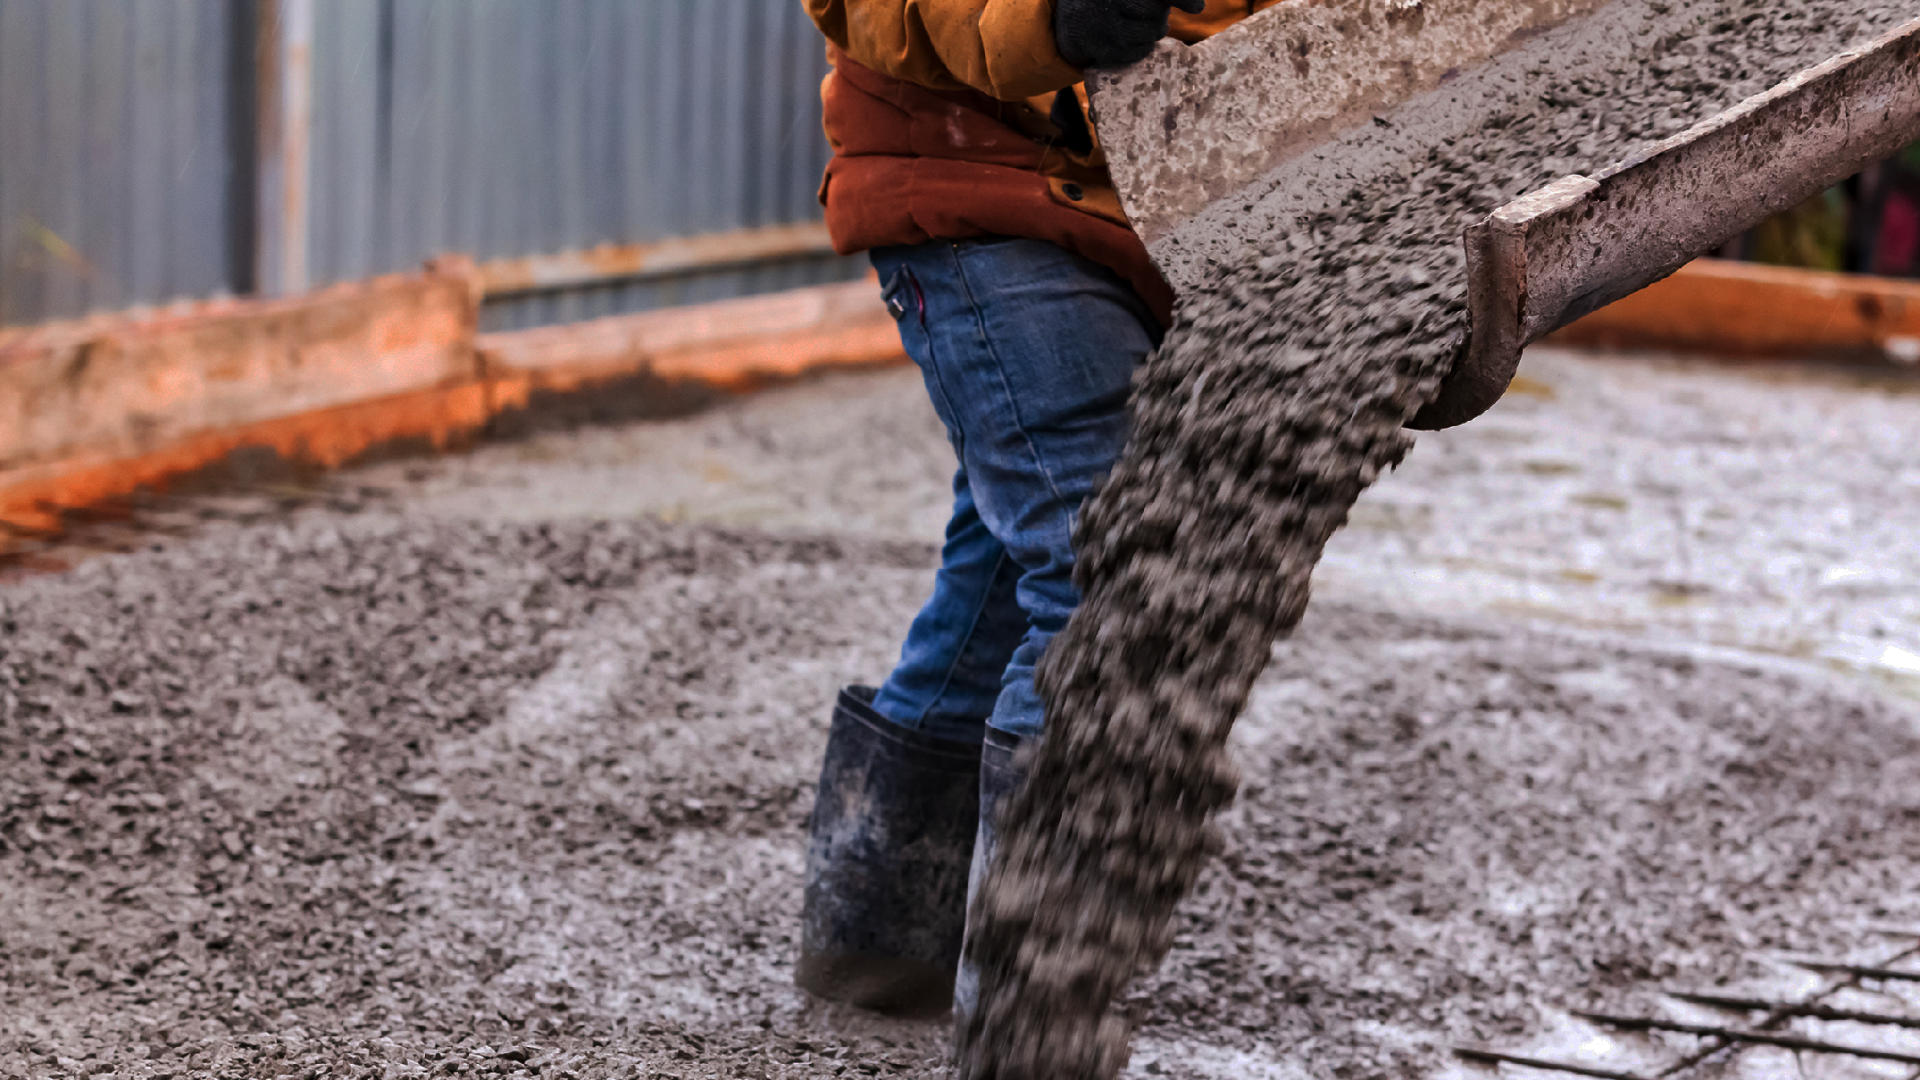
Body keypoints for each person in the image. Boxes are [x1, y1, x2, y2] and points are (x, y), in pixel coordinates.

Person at [795, 0, 1279, 1018]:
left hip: (1153, 209)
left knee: (1010, 564)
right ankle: (1033, 1029)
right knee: (1109, 577)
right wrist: (1053, 21)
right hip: (981, 191)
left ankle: (884, 940)